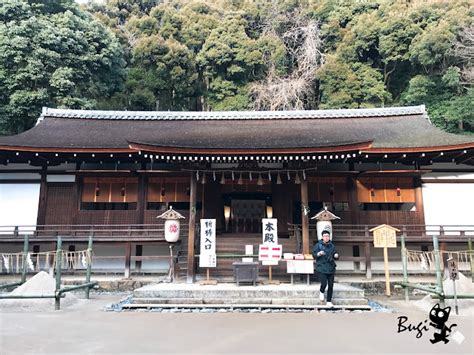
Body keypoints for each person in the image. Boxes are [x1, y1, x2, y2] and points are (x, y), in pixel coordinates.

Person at [313, 229, 339, 307]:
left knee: (331, 285)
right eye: (325, 236)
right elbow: (313, 255)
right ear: (322, 237)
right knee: (324, 283)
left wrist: (336, 255)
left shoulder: (332, 245)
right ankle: (321, 292)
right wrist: (318, 254)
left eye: (327, 236)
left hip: (331, 267)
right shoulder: (318, 245)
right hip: (321, 267)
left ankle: (329, 301)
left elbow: (335, 254)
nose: (326, 237)